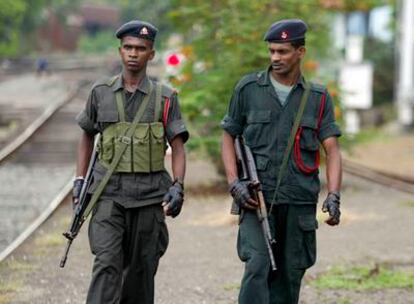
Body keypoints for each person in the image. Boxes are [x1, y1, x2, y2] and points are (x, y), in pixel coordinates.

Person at [221, 19, 342, 304]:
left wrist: (334, 194)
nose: (275, 58)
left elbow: (332, 150)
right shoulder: (248, 89)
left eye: (283, 51)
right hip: (254, 197)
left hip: (299, 200)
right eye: (272, 51)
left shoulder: (318, 97)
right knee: (258, 265)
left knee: (289, 274)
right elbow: (228, 135)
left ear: (300, 51)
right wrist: (233, 182)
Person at [73, 20, 189, 304]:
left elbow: (178, 145)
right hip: (107, 194)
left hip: (149, 198)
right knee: (107, 262)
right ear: (120, 51)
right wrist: (79, 181)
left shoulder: (165, 97)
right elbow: (87, 136)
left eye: (141, 48)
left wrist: (178, 186)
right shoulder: (100, 92)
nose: (133, 53)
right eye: (128, 47)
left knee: (141, 271)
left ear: (151, 53)